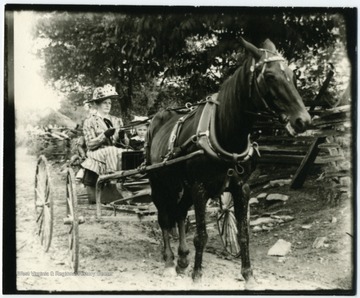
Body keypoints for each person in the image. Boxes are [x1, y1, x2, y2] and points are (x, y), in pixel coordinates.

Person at [81, 84, 129, 203]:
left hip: (115, 151)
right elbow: (90, 144)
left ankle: (132, 183)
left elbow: (125, 144)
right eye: (104, 103)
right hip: (96, 152)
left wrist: (123, 137)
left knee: (129, 153)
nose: (108, 105)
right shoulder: (89, 121)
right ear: (97, 104)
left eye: (109, 103)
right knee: (112, 150)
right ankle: (112, 182)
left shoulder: (117, 120)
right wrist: (104, 135)